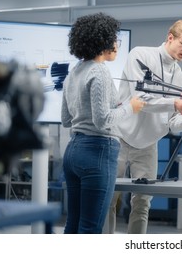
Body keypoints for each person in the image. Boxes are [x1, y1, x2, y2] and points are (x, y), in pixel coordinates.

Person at [106, 20, 182, 234]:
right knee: (109, 199)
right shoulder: (140, 55)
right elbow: (141, 99)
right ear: (170, 37)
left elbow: (174, 123)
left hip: (148, 145)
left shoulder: (181, 78)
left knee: (142, 204)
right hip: (118, 137)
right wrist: (175, 103)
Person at [61, 12, 145, 233]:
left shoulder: (73, 72)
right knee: (90, 228)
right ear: (103, 41)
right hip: (98, 151)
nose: (117, 44)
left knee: (73, 224)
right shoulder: (100, 72)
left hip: (73, 151)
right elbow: (102, 121)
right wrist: (130, 108)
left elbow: (66, 120)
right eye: (114, 38)